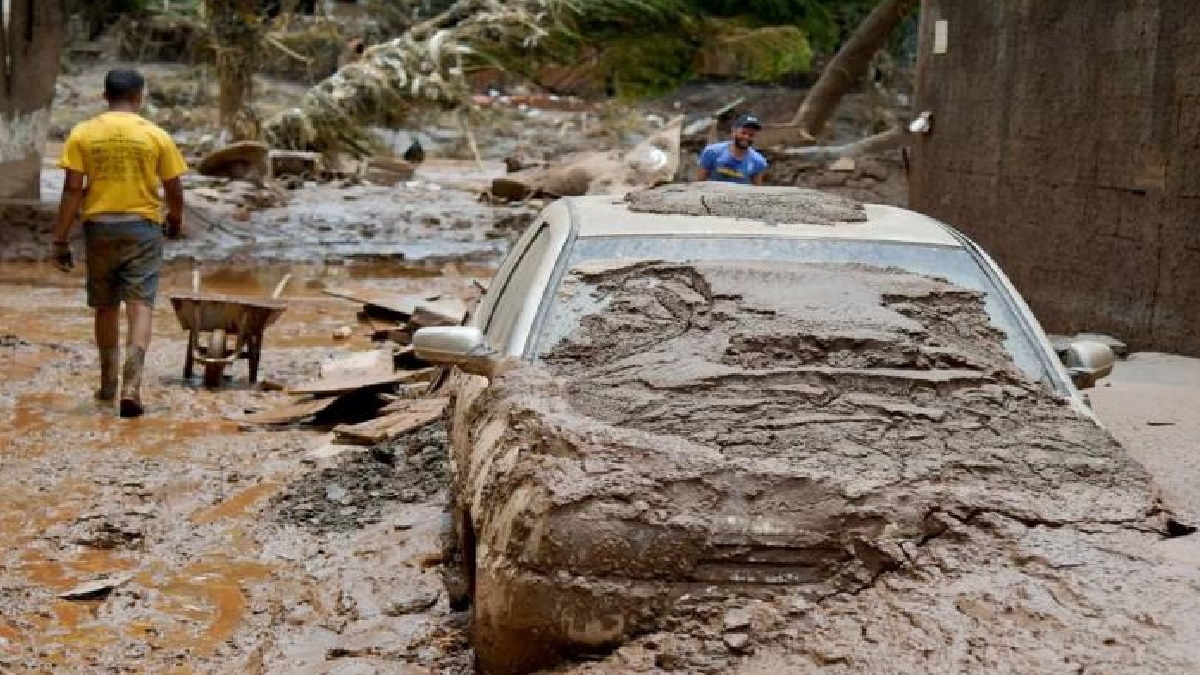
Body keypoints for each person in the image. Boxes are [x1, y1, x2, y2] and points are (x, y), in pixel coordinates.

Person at [50, 68, 188, 418]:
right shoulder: (155, 135)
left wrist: (60, 239)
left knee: (106, 306)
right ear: (139, 96)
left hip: (99, 228)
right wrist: (175, 219)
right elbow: (173, 187)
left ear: (105, 95)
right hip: (142, 228)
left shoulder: (83, 133)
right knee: (140, 305)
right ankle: (132, 385)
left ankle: (108, 383)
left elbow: (72, 190)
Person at [697, 114, 769, 185]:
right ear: (734, 131)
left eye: (751, 135)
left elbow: (757, 191)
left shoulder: (758, 161)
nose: (746, 137)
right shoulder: (712, 152)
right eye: (743, 133)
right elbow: (699, 184)